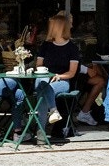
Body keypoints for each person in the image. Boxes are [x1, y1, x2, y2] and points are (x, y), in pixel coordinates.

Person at [32, 11, 81, 141]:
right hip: (44, 78)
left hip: (61, 80)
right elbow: (39, 65)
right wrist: (46, 74)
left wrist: (58, 76)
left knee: (43, 93)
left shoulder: (72, 48)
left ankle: (41, 131)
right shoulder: (46, 46)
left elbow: (71, 73)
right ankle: (53, 111)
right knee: (43, 84)